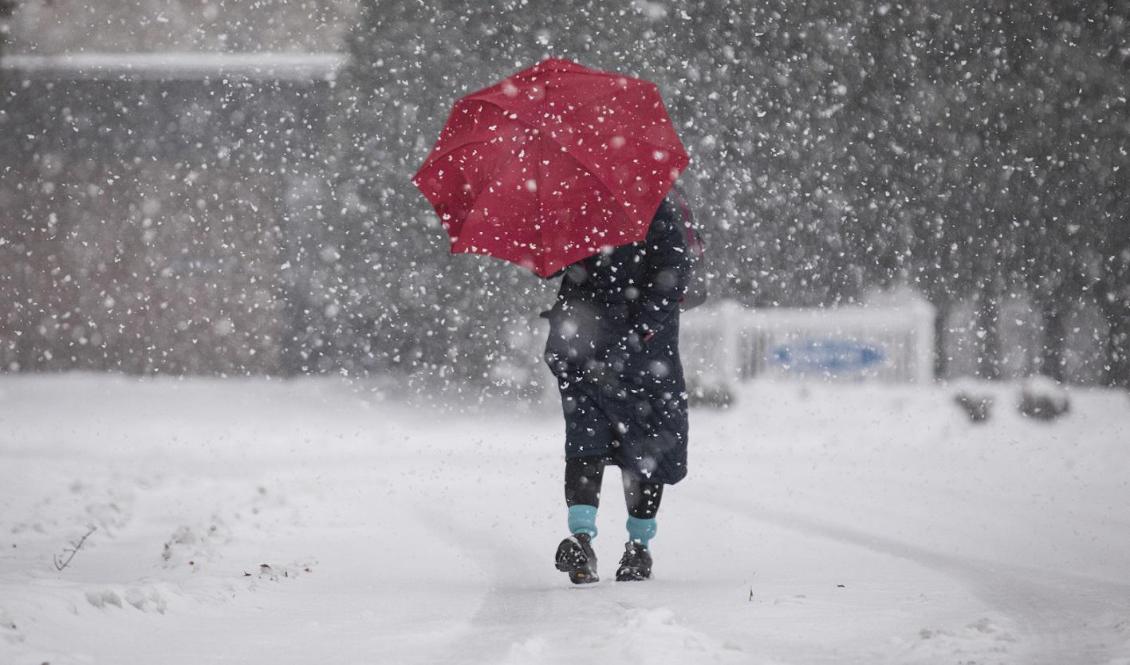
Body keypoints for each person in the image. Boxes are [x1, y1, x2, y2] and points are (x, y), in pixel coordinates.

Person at [541, 192, 690, 584]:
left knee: (644, 448)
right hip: (586, 349)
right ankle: (581, 539)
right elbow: (561, 270)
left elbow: (673, 271)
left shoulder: (654, 205)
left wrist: (639, 330)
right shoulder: (573, 202)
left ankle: (638, 546)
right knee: (585, 442)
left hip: (642, 356)